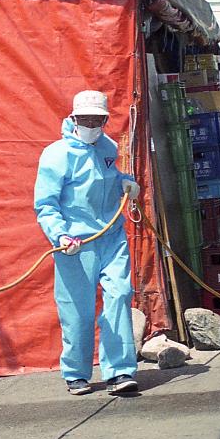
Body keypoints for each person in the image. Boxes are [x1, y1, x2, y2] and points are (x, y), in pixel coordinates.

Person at [34, 90, 142, 396]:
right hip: (75, 243)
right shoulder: (57, 155)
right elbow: (46, 204)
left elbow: (108, 177)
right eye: (86, 119)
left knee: (120, 296)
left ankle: (120, 372)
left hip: (111, 236)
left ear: (106, 120)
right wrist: (59, 234)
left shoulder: (107, 147)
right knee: (76, 310)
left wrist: (126, 181)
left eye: (98, 119)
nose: (92, 124)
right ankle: (76, 373)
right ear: (73, 118)